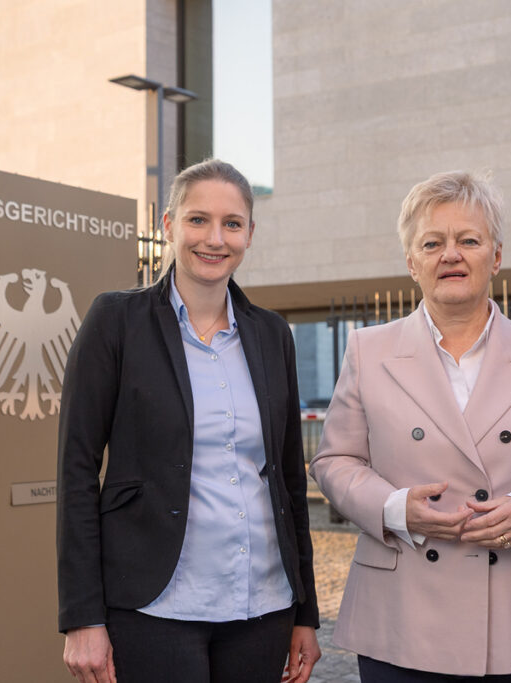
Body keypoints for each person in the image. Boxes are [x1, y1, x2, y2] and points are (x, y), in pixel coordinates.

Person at [310, 170, 511, 682]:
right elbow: (334, 460)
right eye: (433, 242)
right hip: (403, 614)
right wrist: (395, 509)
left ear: (496, 256)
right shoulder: (368, 350)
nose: (451, 254)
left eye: (469, 240)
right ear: (411, 262)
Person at [56, 159, 320, 683]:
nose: (214, 238)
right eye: (198, 220)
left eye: (232, 223)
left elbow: (290, 479)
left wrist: (305, 612)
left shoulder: (272, 335)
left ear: (249, 233)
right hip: (156, 605)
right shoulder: (115, 321)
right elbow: (77, 472)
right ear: (170, 226)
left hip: (262, 604)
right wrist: (82, 615)